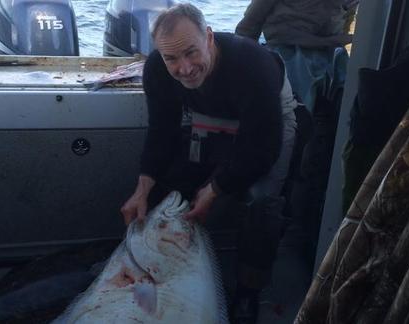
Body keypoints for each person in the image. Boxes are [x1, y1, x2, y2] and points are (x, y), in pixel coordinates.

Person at [120, 3, 298, 323]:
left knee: (261, 201)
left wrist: (216, 189)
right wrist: (142, 187)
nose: (184, 68)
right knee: (170, 187)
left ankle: (247, 291)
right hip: (207, 111)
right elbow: (162, 131)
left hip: (266, 119)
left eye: (191, 52)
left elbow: (262, 148)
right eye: (172, 58)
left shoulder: (252, 66)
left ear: (210, 38)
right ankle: (169, 273)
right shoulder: (159, 71)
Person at [235, 0, 357, 112]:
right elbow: (248, 26)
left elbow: (348, 23)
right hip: (286, 50)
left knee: (355, 93)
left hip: (332, 53)